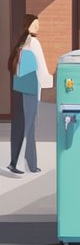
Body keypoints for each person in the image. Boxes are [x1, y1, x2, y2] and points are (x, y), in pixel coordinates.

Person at [8, 15, 52, 175]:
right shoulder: (34, 42)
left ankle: (19, 162)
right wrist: (51, 82)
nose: (37, 28)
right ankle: (25, 164)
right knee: (29, 127)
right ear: (28, 26)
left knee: (19, 126)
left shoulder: (22, 43)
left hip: (19, 87)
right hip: (31, 89)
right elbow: (41, 67)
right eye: (35, 25)